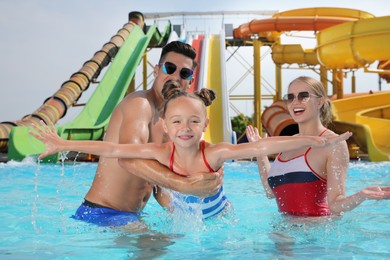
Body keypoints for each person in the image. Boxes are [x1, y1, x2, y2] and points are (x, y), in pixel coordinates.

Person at [30, 82, 352, 220]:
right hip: (186, 215)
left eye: (193, 121)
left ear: (204, 124)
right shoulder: (159, 151)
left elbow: (263, 145)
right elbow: (111, 147)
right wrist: (62, 144)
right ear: (166, 126)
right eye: (177, 122)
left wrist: (311, 141)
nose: (185, 128)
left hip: (221, 216)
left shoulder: (213, 152)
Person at [45, 41, 225, 227]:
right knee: (154, 247)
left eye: (184, 73)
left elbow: (158, 185)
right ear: (156, 70)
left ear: (190, 81)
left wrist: (195, 203)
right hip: (100, 212)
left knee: (175, 241)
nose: (175, 77)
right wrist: (183, 185)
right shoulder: (140, 105)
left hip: (129, 217)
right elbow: (127, 159)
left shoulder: (172, 123)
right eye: (169, 68)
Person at [246, 76, 390, 217]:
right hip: (283, 234)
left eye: (304, 96)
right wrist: (260, 151)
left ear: (320, 101)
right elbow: (271, 192)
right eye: (290, 97)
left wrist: (362, 195)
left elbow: (335, 205)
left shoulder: (333, 143)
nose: (295, 102)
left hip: (316, 236)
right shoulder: (288, 144)